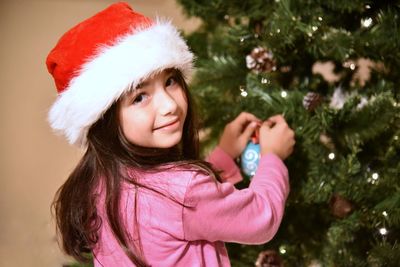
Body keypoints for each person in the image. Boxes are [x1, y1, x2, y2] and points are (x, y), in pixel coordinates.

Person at [46, 2, 295, 267]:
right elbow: (260, 218)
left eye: (170, 81)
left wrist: (223, 156)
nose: (169, 105)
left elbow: (181, 208)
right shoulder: (182, 191)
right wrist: (272, 157)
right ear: (103, 119)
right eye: (140, 97)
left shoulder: (101, 182)